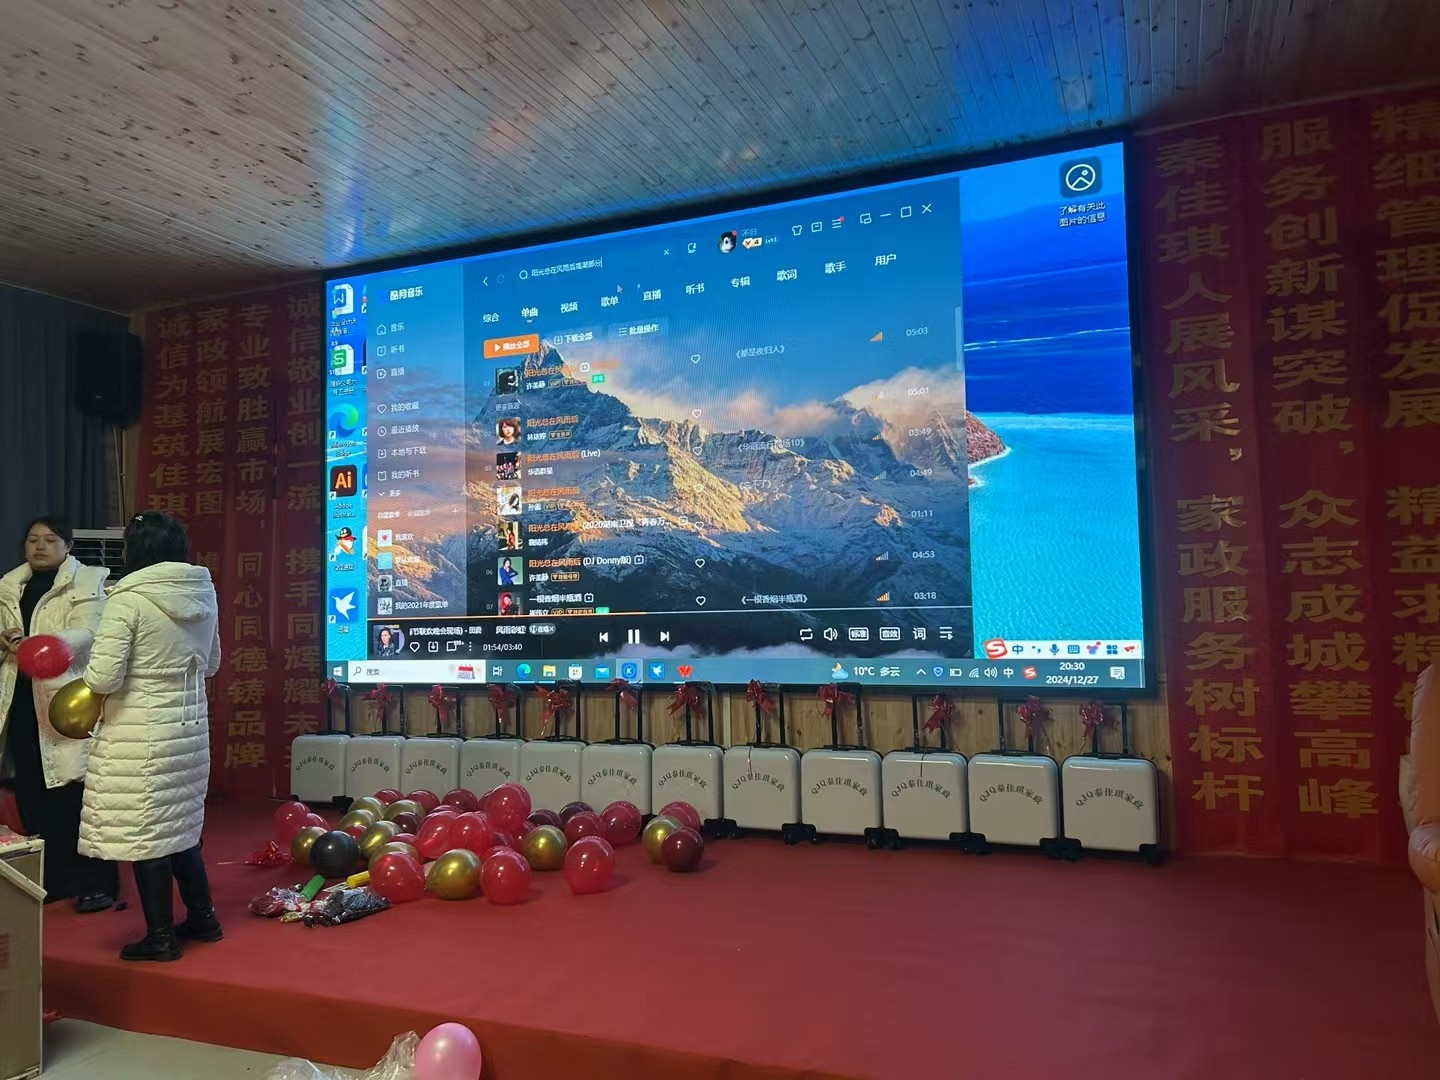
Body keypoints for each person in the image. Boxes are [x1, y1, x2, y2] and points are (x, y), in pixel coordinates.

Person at [80, 511, 222, 962]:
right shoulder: (203, 592)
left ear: (135, 551)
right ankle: (204, 919)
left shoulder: (127, 599)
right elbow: (211, 664)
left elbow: (103, 677)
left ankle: (161, 938)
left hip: (139, 732)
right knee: (181, 827)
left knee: (147, 835)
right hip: (189, 729)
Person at [0, 515, 119, 911]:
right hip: (20, 703)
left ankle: (96, 884)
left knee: (76, 795)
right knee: (32, 793)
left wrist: (38, 644)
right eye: (33, 539)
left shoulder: (87, 582)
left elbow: (88, 633)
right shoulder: (9, 586)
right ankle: (54, 880)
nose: (40, 546)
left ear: (68, 546)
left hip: (66, 702)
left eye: (50, 539)